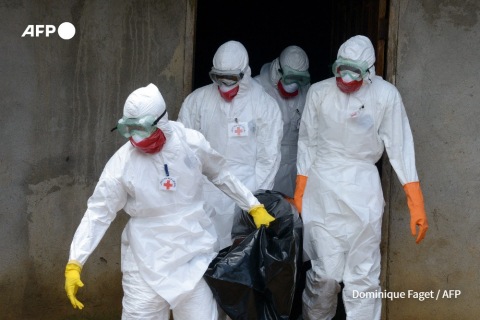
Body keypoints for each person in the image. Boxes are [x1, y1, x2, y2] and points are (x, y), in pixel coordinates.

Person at [64, 83, 275, 320]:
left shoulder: (191, 144)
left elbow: (220, 174)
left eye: (141, 128)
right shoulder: (122, 163)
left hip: (192, 255)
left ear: (161, 121)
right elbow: (99, 212)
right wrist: (75, 261)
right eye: (129, 129)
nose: (136, 137)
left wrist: (252, 205)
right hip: (145, 261)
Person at [293, 36, 428, 320]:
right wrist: (300, 189)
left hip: (363, 190)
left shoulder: (385, 95)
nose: (346, 77)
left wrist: (415, 200)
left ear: (370, 71)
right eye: (341, 68)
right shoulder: (318, 92)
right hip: (322, 190)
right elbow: (307, 141)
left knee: (363, 277)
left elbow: (400, 145)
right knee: (325, 275)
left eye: (354, 70)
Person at [178, 40, 283, 250]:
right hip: (205, 193)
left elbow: (268, 158)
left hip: (245, 192)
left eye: (232, 79)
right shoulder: (197, 101)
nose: (225, 85)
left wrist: (254, 201)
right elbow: (184, 151)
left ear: (244, 74)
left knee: (236, 256)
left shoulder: (264, 104)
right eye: (219, 78)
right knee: (202, 254)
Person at [254, 45, 310, 198]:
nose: (294, 84)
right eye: (290, 77)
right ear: (278, 70)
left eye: (299, 79)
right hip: (264, 165)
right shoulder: (257, 89)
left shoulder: (307, 92)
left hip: (293, 168)